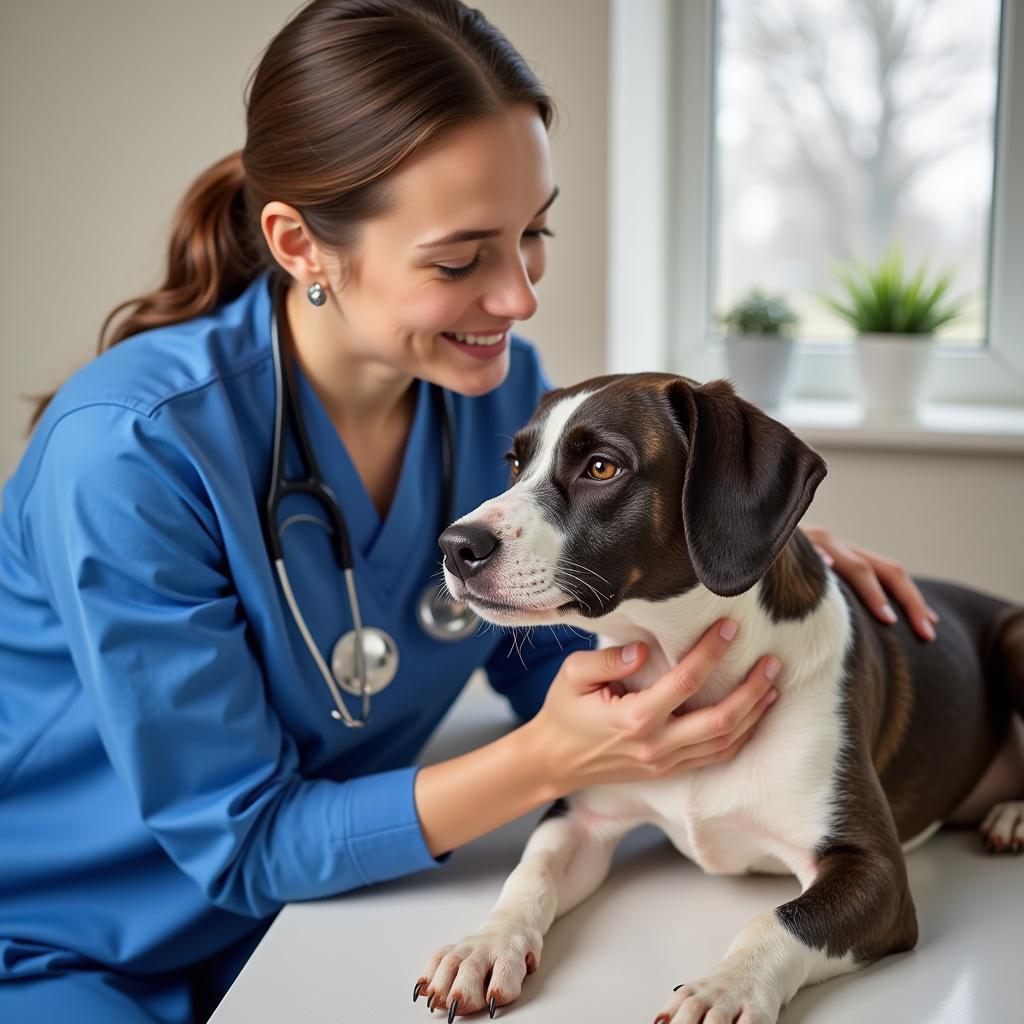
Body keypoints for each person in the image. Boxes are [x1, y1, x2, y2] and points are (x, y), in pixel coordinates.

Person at [0, 1, 940, 1021]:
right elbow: (246, 839)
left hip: (335, 907)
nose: (519, 298)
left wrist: (739, 552)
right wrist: (546, 759)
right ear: (299, 244)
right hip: (74, 947)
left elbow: (537, 654)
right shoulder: (128, 451)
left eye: (534, 232)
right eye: (460, 259)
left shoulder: (493, 390)